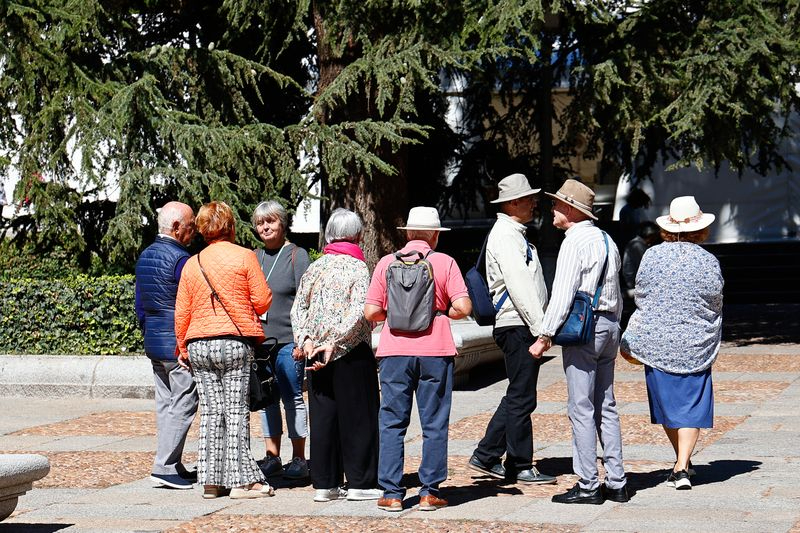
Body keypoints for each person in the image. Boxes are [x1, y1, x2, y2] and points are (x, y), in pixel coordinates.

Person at [364, 206, 472, 513]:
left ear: (408, 233)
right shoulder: (444, 262)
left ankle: (391, 492)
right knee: (434, 422)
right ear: (435, 235)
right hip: (435, 351)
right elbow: (463, 305)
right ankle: (429, 492)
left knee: (392, 422)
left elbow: (371, 312)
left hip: (394, 351)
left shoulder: (386, 262)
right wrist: (442, 314)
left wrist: (396, 317)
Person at [529, 179, 629, 505]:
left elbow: (563, 294)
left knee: (581, 407)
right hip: (610, 325)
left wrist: (544, 336)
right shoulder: (607, 240)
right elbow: (617, 289)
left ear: (571, 209)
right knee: (606, 406)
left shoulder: (573, 243)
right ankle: (617, 481)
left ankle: (588, 484)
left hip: (584, 331)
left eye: (557, 204)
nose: (553, 209)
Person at [620, 196, 722, 490]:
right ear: (701, 229)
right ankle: (682, 465)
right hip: (694, 342)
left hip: (657, 341)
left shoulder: (651, 256)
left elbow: (642, 294)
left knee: (666, 405)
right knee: (691, 404)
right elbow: (715, 300)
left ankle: (681, 463)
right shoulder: (708, 261)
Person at [175, 201, 274, 499]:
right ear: (230, 226)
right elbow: (263, 301)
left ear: (203, 230)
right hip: (233, 341)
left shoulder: (193, 263)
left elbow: (182, 312)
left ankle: (211, 481)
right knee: (235, 412)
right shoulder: (245, 257)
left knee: (211, 413)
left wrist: (183, 349)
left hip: (199, 344)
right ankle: (243, 482)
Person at [468, 173, 556, 485]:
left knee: (520, 394)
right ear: (513, 203)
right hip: (518, 324)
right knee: (521, 396)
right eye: (529, 198)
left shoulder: (513, 233)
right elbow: (519, 284)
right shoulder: (505, 235)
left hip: (518, 324)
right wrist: (540, 328)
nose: (535, 203)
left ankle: (489, 454)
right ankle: (516, 463)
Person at [290, 208, 382, 503]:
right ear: (357, 235)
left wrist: (306, 340)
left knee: (324, 418)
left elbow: (298, 309)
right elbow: (360, 313)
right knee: (359, 417)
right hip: (350, 352)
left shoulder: (316, 268)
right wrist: (337, 341)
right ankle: (360, 483)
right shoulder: (359, 268)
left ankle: (325, 484)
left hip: (314, 352)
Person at [135, 201, 199, 490]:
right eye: (190, 226)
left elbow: (140, 305)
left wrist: (149, 332)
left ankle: (171, 463)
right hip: (176, 343)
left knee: (166, 404)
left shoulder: (145, 255)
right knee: (185, 400)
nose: (194, 231)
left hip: (154, 342)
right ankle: (163, 466)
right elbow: (190, 304)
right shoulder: (181, 260)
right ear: (176, 228)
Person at [251, 200, 311, 480]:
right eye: (261, 223)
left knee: (292, 398)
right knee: (267, 400)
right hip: (261, 343)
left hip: (289, 341)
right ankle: (272, 456)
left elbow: (307, 300)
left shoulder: (297, 255)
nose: (265, 227)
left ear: (283, 224)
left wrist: (304, 340)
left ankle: (299, 458)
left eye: (271, 221)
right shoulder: (254, 256)